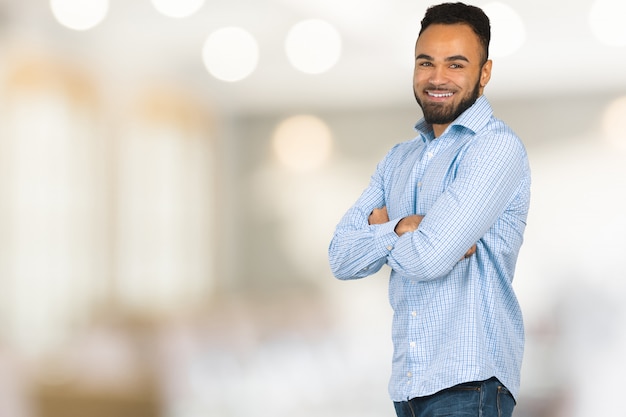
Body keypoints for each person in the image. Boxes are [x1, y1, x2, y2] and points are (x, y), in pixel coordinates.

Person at [328, 2, 531, 416]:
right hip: (408, 385)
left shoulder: (495, 148)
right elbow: (341, 257)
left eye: (456, 64)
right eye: (426, 62)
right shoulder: (397, 160)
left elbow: (428, 260)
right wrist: (404, 227)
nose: (437, 78)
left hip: (470, 383)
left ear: (484, 73)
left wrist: (385, 233)